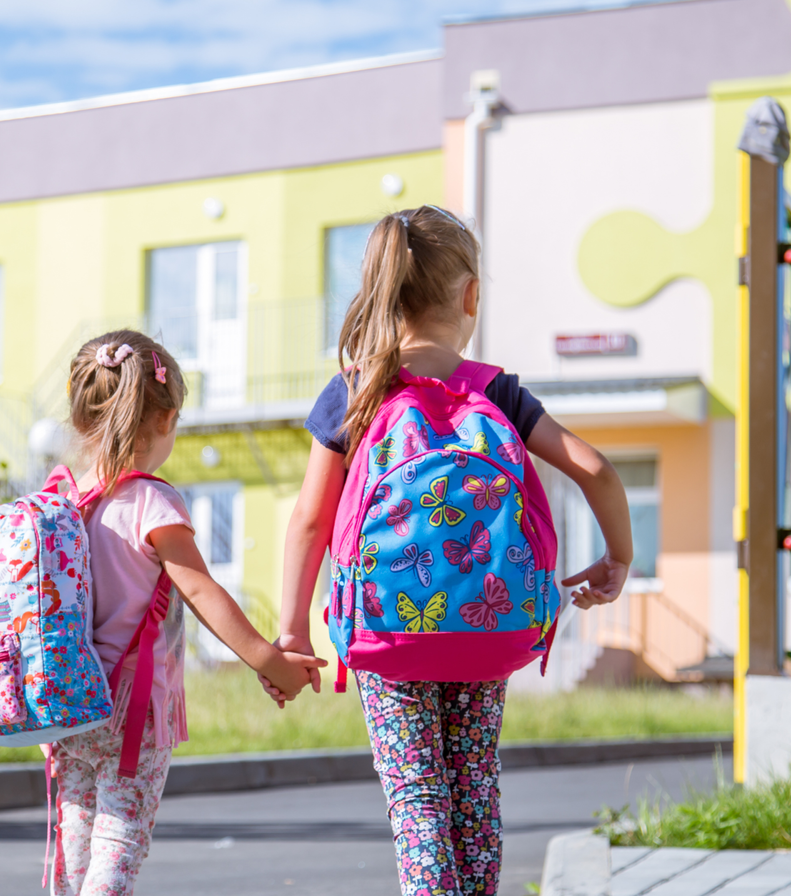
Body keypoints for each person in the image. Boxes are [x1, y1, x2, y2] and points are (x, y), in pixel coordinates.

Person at [265, 206, 634, 896]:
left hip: (385, 628)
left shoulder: (355, 391)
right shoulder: (497, 392)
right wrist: (619, 556)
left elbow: (309, 523)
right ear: (469, 297)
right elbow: (597, 471)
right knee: (473, 791)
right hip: (486, 621)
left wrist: (290, 633)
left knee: (418, 799)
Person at [50, 330, 326, 896]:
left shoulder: (62, 498)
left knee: (73, 846)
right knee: (119, 844)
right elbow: (201, 593)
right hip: (133, 710)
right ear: (168, 418)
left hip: (67, 701)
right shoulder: (153, 502)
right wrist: (270, 662)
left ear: (81, 418)